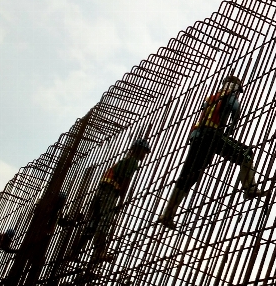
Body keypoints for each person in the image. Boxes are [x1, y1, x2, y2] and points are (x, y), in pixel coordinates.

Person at [158, 75, 261, 229]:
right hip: (213, 136)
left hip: (197, 137)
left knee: (189, 175)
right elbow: (236, 110)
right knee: (246, 153)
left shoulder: (212, 97)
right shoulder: (229, 96)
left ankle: (167, 213)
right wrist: (232, 127)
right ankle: (250, 189)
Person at [68, 139, 151, 263]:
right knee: (105, 222)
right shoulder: (133, 161)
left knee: (92, 223)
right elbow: (125, 182)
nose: (144, 155)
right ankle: (99, 254)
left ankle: (74, 253)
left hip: (101, 190)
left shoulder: (123, 160)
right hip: (110, 191)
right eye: (144, 151)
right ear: (137, 150)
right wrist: (121, 201)